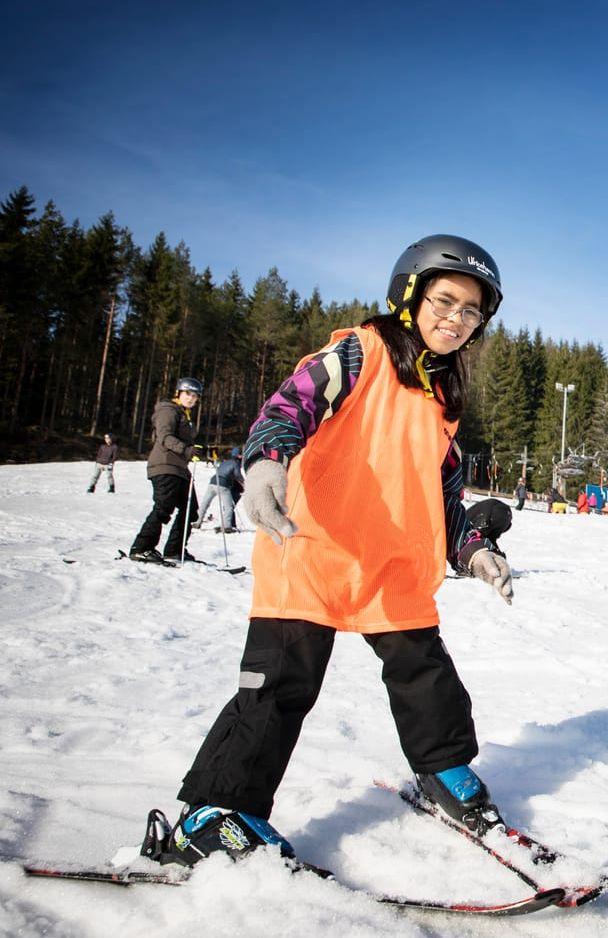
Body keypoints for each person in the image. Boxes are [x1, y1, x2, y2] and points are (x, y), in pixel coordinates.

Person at [150, 235, 518, 867]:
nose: (456, 320)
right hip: (312, 549)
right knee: (280, 685)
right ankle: (214, 813)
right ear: (409, 295)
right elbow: (286, 408)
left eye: (470, 312)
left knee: (426, 676)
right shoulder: (359, 352)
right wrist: (265, 464)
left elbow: (445, 494)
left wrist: (474, 550)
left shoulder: (444, 400)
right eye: (445, 301)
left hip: (392, 568)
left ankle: (444, 772)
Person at [128, 379, 203, 564]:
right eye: (188, 394)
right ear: (178, 393)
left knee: (190, 509)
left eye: (195, 396)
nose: (191, 399)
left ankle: (175, 551)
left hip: (180, 468)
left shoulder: (184, 414)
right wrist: (186, 450)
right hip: (165, 465)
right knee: (164, 507)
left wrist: (201, 449)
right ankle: (141, 548)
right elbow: (165, 436)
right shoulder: (168, 410)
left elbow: (184, 440)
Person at [199, 447, 245, 533]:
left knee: (205, 502)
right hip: (223, 484)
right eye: (240, 454)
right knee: (229, 507)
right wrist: (244, 483)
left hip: (212, 482)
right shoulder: (235, 463)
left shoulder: (225, 462)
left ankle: (198, 521)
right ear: (238, 455)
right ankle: (227, 526)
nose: (241, 456)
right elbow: (238, 475)